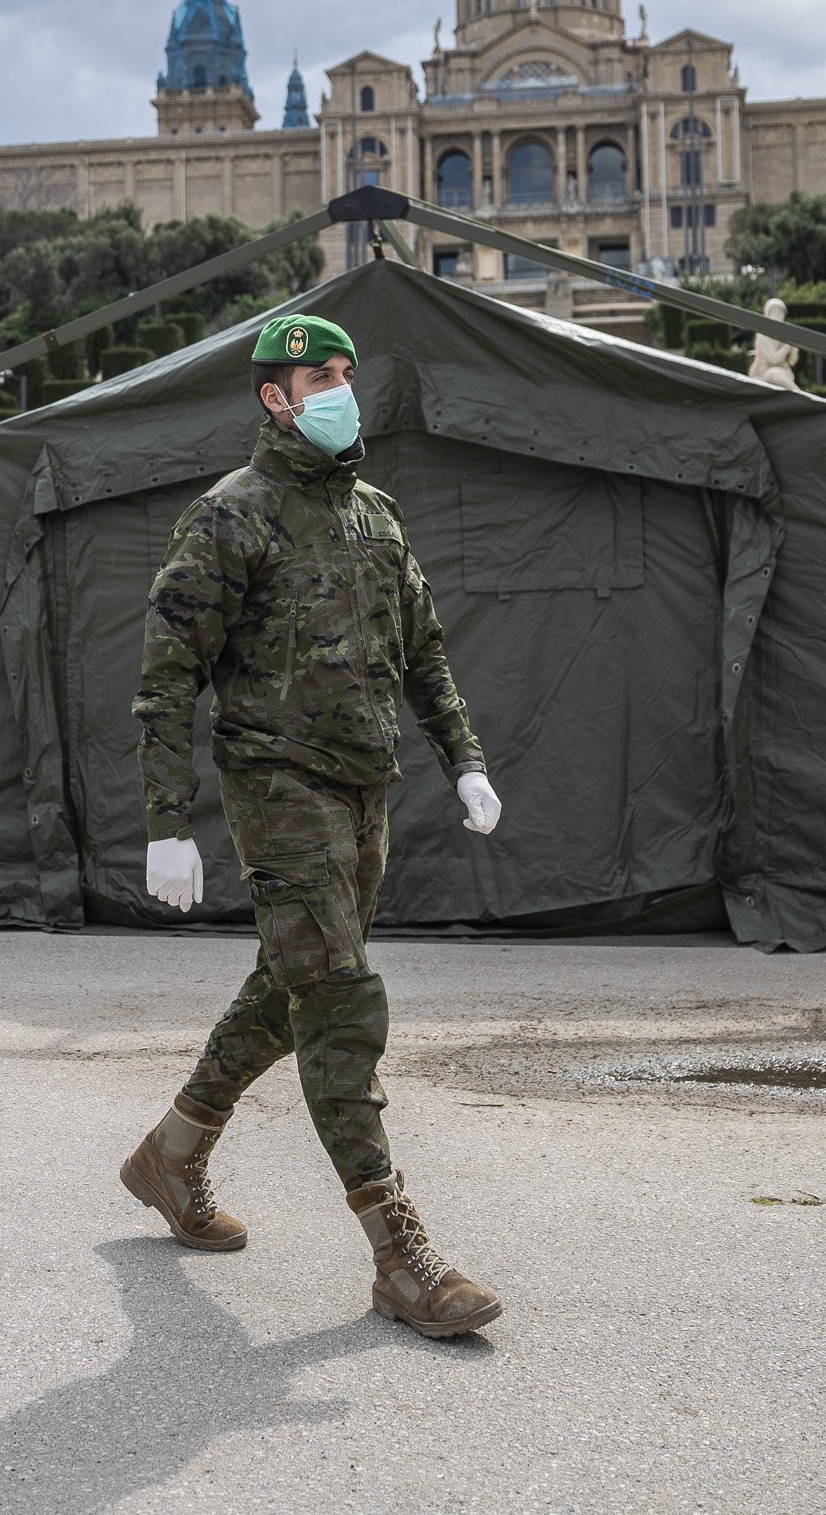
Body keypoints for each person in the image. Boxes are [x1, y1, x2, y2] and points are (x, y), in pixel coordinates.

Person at [118, 311, 506, 1338]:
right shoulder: (229, 517)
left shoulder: (377, 512)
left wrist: (462, 755)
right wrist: (167, 820)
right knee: (339, 993)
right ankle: (399, 1252)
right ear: (274, 398)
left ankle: (172, 1148)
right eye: (319, 376)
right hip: (275, 781)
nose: (340, 389)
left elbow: (423, 648)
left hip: (365, 784)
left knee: (294, 983)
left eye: (346, 370)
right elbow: (166, 682)